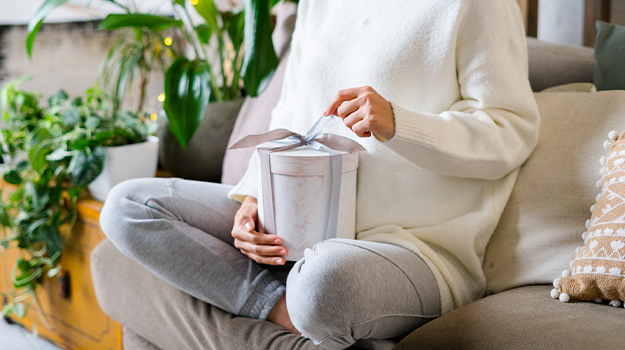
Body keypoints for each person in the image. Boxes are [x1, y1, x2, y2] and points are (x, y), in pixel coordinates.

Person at [100, 0, 540, 349]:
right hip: (298, 233)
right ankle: (283, 312)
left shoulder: (478, 4)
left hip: (413, 249)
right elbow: (290, 110)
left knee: (321, 285)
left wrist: (398, 123)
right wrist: (255, 199)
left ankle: (309, 308)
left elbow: (511, 131)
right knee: (127, 207)